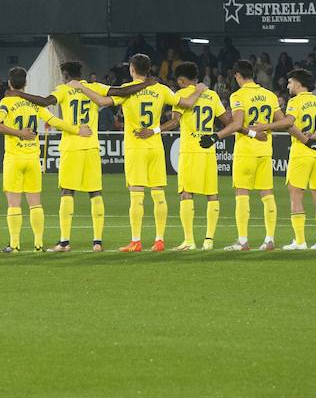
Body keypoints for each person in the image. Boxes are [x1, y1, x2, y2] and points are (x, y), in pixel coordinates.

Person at [77, 54, 177, 252]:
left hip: (135, 147)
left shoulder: (126, 91)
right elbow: (182, 106)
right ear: (148, 69)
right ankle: (159, 241)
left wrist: (82, 87)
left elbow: (102, 101)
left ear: (132, 69)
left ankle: (136, 241)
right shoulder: (161, 89)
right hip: (155, 146)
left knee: (137, 195)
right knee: (158, 194)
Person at [0, 67, 82, 253]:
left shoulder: (6, 102)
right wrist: (77, 129)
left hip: (13, 158)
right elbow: (55, 121)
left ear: (9, 82)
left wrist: (17, 133)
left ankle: (15, 245)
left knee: (14, 204)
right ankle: (38, 244)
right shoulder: (34, 103)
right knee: (35, 203)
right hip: (33, 158)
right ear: (26, 83)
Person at [37, 61, 111, 252]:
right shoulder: (94, 87)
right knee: (95, 192)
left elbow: (46, 103)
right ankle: (97, 242)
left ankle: (64, 242)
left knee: (67, 191)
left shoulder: (63, 89)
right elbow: (117, 92)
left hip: (71, 147)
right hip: (92, 146)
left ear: (66, 75)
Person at [215, 59, 281, 251]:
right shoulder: (269, 95)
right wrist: (266, 127)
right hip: (265, 151)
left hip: (246, 151)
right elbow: (284, 121)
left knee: (242, 194)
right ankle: (269, 239)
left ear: (237, 76)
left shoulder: (238, 95)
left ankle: (243, 241)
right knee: (267, 194)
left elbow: (237, 124)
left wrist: (216, 136)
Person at [163, 63, 225, 250]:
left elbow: (174, 121)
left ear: (181, 80)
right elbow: (227, 121)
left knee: (186, 193)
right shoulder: (212, 95)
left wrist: (156, 130)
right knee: (212, 194)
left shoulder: (181, 95)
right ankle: (209, 240)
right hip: (208, 150)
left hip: (190, 150)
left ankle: (189, 240)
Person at [273, 69, 316, 250]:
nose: (288, 85)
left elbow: (288, 122)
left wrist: (265, 126)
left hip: (301, 152)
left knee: (296, 196)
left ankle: (300, 241)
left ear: (298, 83)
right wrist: (315, 137)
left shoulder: (295, 101)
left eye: (290, 82)